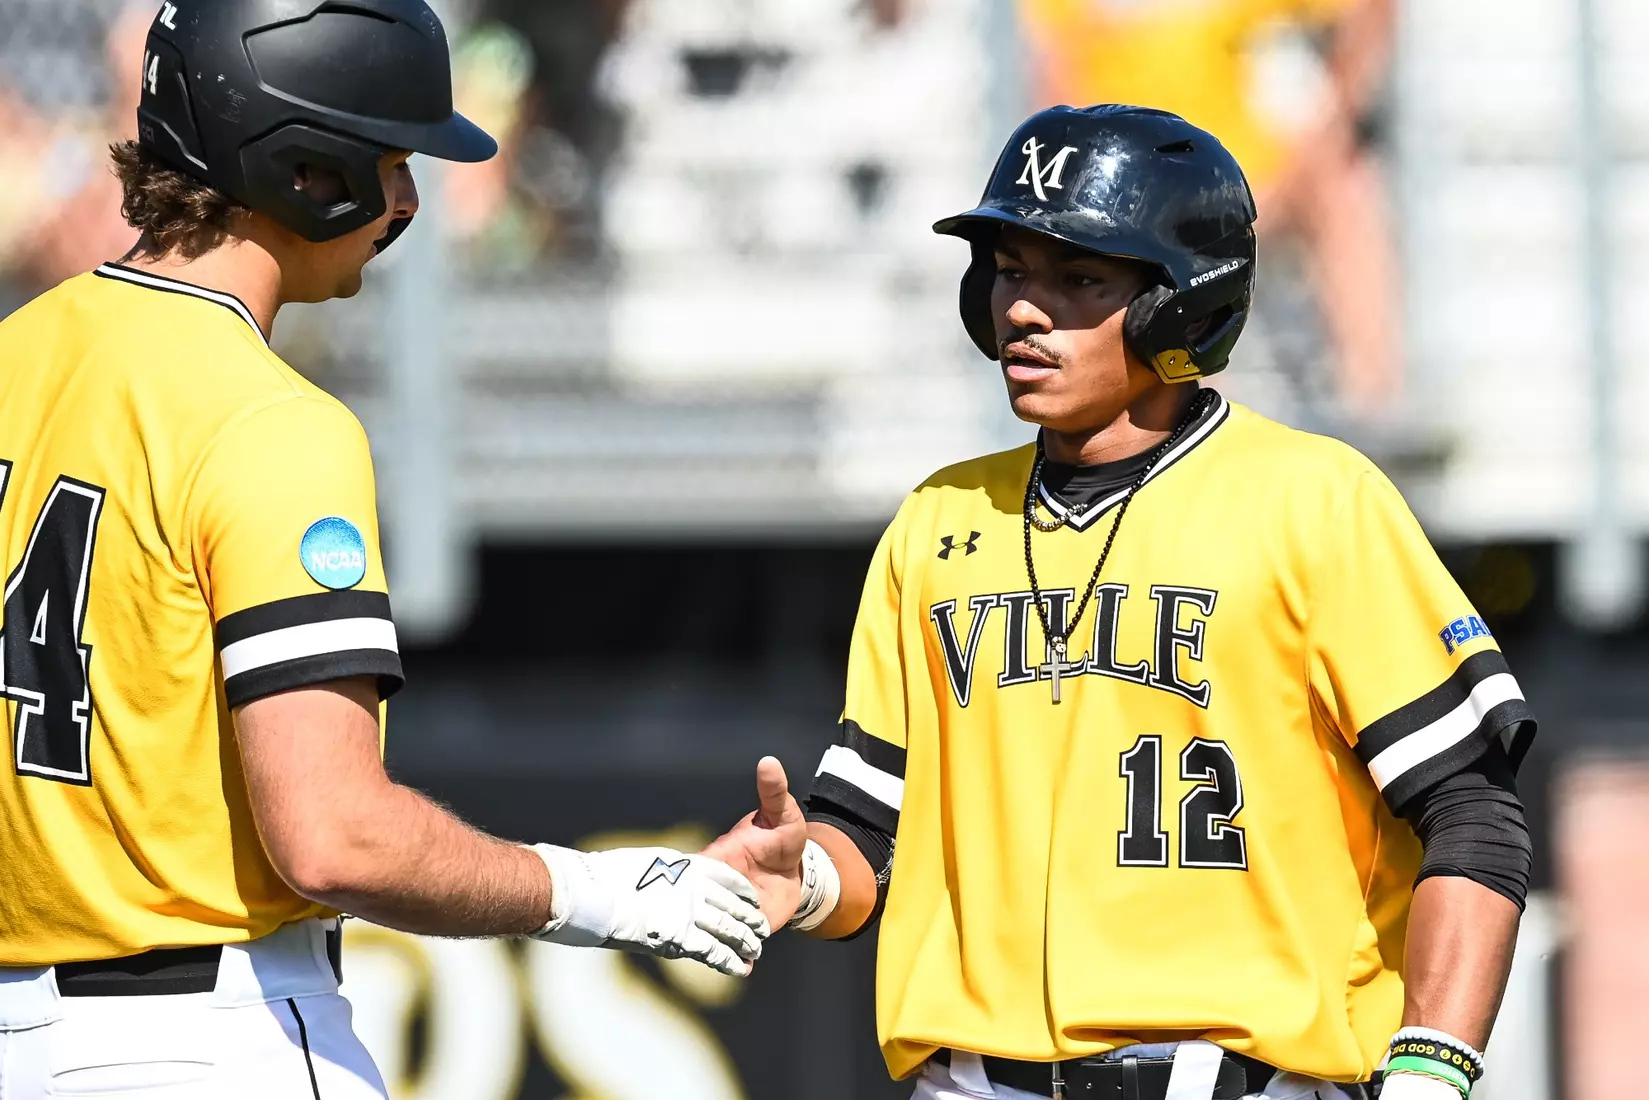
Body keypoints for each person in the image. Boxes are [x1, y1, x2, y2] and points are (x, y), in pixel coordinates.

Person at [0, 2, 767, 1097]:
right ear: (307, 167)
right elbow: (334, 837)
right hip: (214, 1037)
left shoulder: (15, 352)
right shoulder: (272, 421)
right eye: (390, 157)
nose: (407, 198)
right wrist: (601, 891)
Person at [708, 105, 1535, 1100]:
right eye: (1009, 271)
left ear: (1177, 305)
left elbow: (1471, 809)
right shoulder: (936, 521)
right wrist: (798, 877)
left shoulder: (1314, 500)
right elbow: (866, 838)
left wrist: (1432, 1067)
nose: (1023, 309)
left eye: (1078, 279)